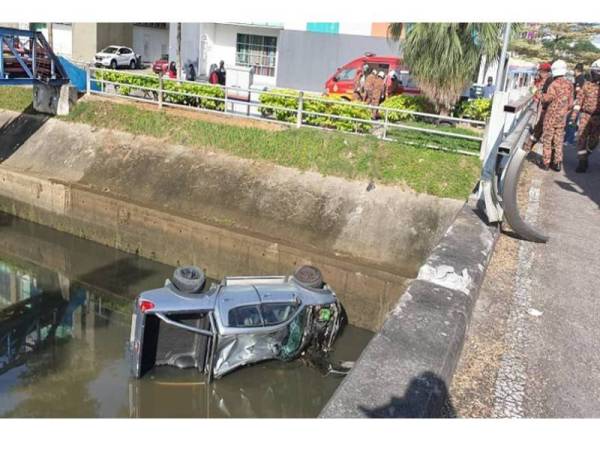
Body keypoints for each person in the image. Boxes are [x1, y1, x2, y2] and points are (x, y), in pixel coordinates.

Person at [538, 60, 574, 171]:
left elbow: (548, 98)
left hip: (550, 117)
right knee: (558, 140)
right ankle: (557, 163)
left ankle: (546, 163)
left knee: (548, 140)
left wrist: (539, 94)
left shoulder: (554, 84)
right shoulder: (569, 84)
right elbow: (571, 103)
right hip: (562, 118)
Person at [572, 59, 600, 173]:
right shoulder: (586, 85)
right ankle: (582, 162)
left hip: (598, 118)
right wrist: (574, 117)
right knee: (581, 139)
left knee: (594, 141)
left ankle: (586, 154)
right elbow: (579, 101)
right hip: (585, 115)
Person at [523, 62, 553, 151]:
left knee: (539, 127)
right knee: (539, 128)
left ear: (544, 72)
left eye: (540, 71)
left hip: (544, 107)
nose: (539, 73)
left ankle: (528, 147)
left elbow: (536, 91)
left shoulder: (546, 81)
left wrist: (533, 89)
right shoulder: (550, 79)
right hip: (547, 107)